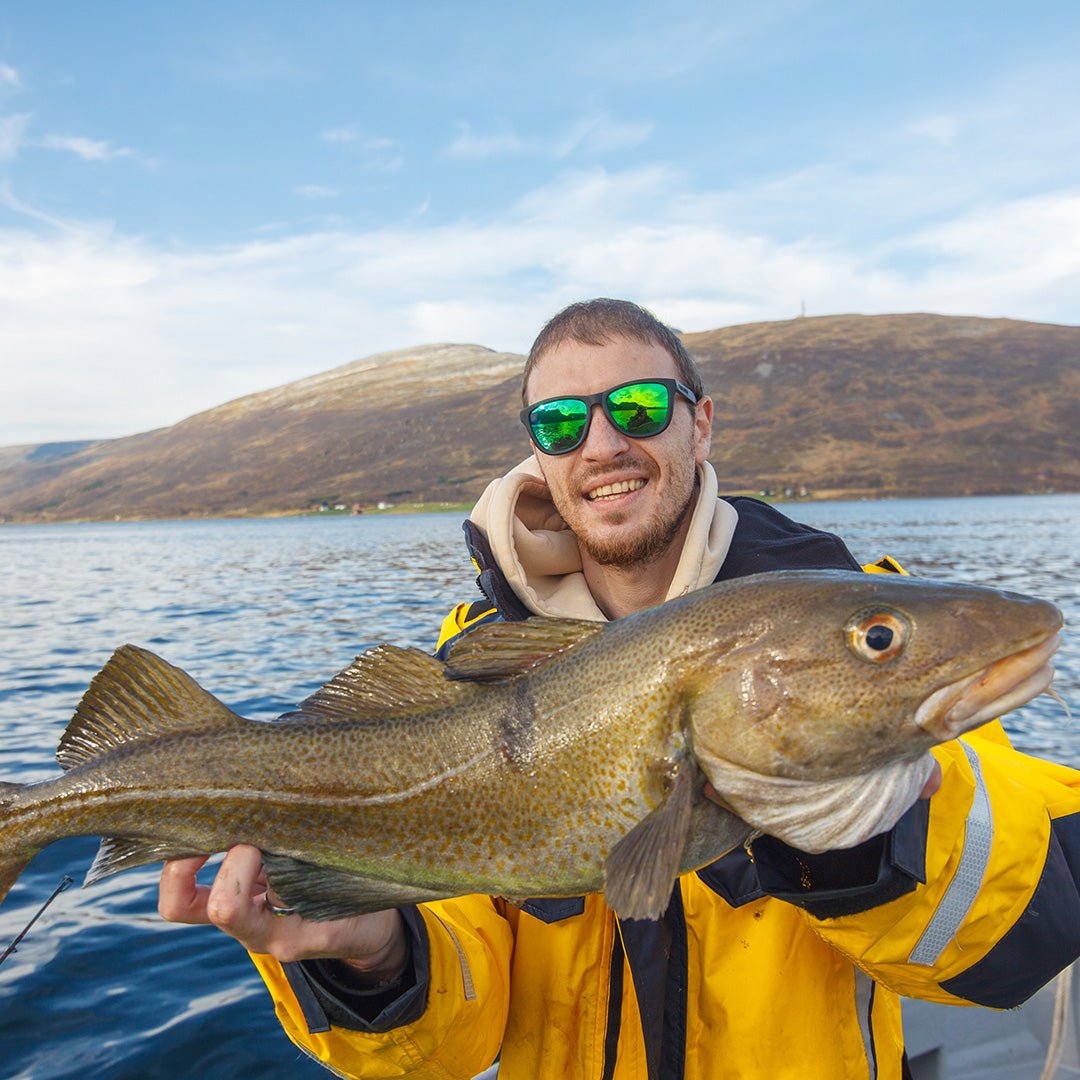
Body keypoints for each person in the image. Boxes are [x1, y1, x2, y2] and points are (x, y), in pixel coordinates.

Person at [159, 299, 1080, 1079]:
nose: (601, 442)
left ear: (702, 422)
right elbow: (453, 1039)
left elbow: (1019, 938)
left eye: (638, 406)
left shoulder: (853, 622)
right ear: (540, 454)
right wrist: (373, 955)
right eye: (560, 422)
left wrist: (867, 839)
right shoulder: (462, 674)